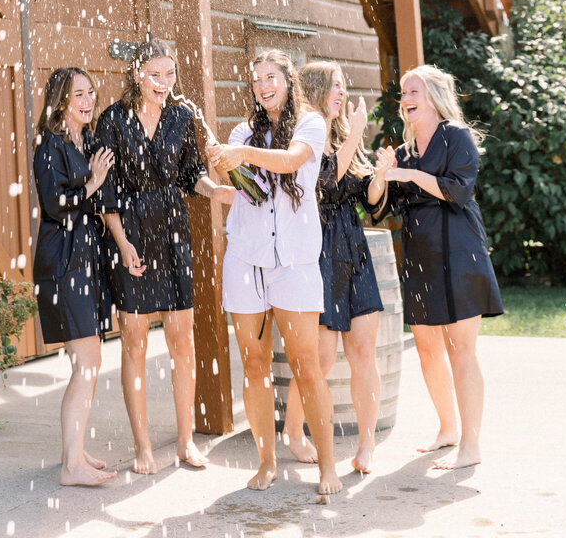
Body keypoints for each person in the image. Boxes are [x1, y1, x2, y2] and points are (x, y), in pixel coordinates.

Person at [206, 50, 342, 499]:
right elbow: (239, 185)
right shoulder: (243, 129)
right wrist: (218, 162)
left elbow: (290, 161)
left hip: (294, 261)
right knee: (253, 363)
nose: (264, 85)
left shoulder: (311, 123)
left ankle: (327, 468)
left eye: (272, 76)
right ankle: (266, 462)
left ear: (289, 79)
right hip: (246, 256)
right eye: (257, 78)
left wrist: (239, 152)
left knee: (305, 364)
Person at [95, 38, 234, 473]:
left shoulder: (180, 117)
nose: (164, 83)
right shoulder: (112, 120)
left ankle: (186, 442)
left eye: (170, 74)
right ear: (137, 74)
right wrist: (122, 242)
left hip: (174, 231)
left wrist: (218, 191)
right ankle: (143, 448)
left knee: (183, 341)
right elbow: (106, 191)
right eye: (156, 75)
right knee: (135, 341)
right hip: (130, 231)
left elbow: (192, 175)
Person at [368, 64, 503, 470]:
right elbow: (378, 207)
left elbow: (458, 190)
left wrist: (406, 173)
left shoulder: (457, 137)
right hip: (421, 258)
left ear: (435, 97)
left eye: (414, 92)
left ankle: (471, 445)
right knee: (428, 350)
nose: (406, 99)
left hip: (460, 253)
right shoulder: (404, 153)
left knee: (461, 349)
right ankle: (448, 430)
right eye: (404, 94)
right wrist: (381, 175)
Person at [282, 61, 383, 474]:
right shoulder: (303, 137)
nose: (342, 94)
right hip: (318, 251)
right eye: (336, 87)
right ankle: (292, 430)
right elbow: (322, 183)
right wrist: (357, 132)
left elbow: (370, 201)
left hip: (353, 248)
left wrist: (383, 175)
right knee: (319, 359)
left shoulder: (344, 137)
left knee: (363, 351)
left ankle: (367, 444)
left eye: (344, 87)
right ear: (317, 89)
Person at [32, 66, 117, 487]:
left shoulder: (86, 142)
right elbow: (55, 204)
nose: (88, 101)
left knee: (86, 362)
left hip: (85, 261)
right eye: (78, 94)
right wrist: (93, 184)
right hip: (64, 265)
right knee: (87, 362)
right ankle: (70, 468)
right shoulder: (50, 146)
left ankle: (75, 451)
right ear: (61, 101)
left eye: (90, 93)